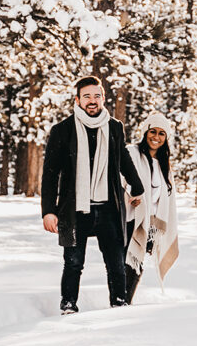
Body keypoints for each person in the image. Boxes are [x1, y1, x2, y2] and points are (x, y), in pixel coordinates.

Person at [41, 76, 145, 312]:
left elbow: (123, 161)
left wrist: (137, 188)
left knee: (116, 263)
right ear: (77, 99)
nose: (92, 101)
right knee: (74, 263)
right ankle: (68, 305)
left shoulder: (114, 127)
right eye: (86, 96)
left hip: (109, 207)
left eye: (96, 96)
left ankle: (119, 304)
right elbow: (50, 174)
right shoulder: (63, 130)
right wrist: (48, 211)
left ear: (103, 98)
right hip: (75, 208)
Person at [124, 112, 179, 304]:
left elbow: (166, 199)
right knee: (125, 265)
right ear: (146, 132)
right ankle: (118, 304)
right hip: (131, 219)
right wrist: (130, 196)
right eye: (153, 131)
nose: (156, 137)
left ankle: (125, 303)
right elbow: (119, 180)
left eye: (161, 133)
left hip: (151, 225)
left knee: (136, 267)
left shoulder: (164, 165)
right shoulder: (132, 153)